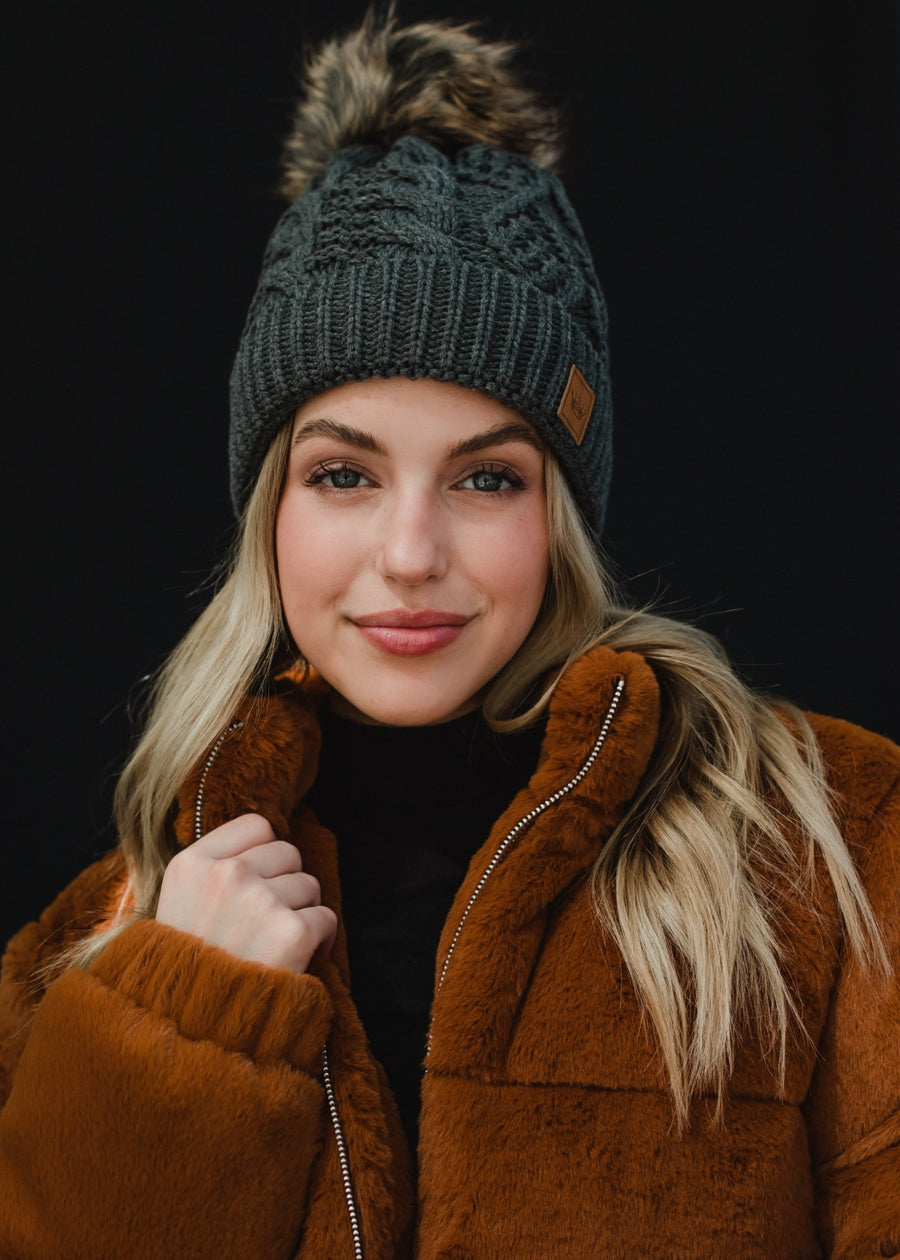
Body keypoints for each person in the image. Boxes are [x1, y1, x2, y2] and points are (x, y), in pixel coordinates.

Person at [1, 12, 897, 1258]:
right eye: (344, 475)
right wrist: (182, 1024)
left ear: (559, 516)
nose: (411, 552)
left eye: (486, 479)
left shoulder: (833, 851)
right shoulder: (98, 946)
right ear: (270, 512)